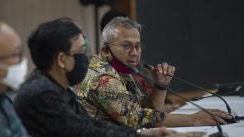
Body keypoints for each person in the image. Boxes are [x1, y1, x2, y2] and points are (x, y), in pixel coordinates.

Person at [13, 18, 203, 137]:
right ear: (62, 60)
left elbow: (90, 127)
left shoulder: (54, 86)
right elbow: (88, 134)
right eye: (81, 52)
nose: (87, 59)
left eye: (137, 46)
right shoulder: (43, 93)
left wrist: (146, 136)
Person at [75, 17, 231, 129]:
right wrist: (193, 119)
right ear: (105, 50)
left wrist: (161, 85)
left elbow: (146, 109)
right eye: (126, 46)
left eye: (137, 46)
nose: (135, 53)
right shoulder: (103, 77)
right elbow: (135, 118)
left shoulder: (122, 70)